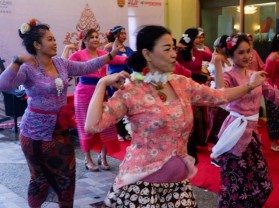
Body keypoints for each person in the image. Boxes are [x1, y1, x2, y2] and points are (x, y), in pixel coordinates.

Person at [84, 25, 267, 208]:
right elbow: (93, 125)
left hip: (179, 189)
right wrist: (101, 84)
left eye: (173, 47)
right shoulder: (131, 91)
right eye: (166, 49)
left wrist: (249, 86)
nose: (173, 54)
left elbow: (221, 96)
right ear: (147, 54)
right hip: (142, 190)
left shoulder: (181, 83)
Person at [0, 18, 121, 208]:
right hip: (35, 134)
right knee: (39, 180)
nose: (55, 42)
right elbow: (4, 84)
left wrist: (110, 56)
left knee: (67, 175)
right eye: (50, 39)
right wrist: (16, 61)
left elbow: (86, 67)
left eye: (54, 38)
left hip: (61, 130)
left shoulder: (61, 63)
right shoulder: (27, 67)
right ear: (37, 44)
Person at [210, 34, 279, 207]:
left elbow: (277, 97)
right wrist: (218, 63)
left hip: (252, 135)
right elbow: (220, 94)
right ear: (231, 55)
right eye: (241, 53)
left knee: (263, 185)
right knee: (236, 186)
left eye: (248, 51)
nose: (247, 56)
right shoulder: (230, 76)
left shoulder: (255, 75)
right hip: (235, 135)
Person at [68, 28, 128, 171]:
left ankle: (103, 156)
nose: (95, 39)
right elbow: (67, 67)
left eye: (97, 37)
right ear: (85, 40)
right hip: (83, 94)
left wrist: (138, 57)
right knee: (86, 126)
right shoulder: (78, 55)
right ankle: (88, 159)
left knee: (106, 124)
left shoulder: (104, 54)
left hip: (101, 93)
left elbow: (121, 59)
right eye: (92, 37)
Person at [177, 27, 213, 163]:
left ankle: (197, 141)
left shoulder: (201, 53)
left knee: (199, 114)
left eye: (202, 37)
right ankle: (188, 142)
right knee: (189, 115)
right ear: (191, 39)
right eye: (198, 37)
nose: (201, 39)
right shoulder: (179, 52)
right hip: (184, 87)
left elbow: (215, 58)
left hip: (198, 87)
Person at [105, 25, 134, 141]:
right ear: (116, 35)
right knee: (117, 107)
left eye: (125, 33)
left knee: (127, 107)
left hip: (126, 80)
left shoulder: (128, 49)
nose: (124, 35)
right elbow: (108, 61)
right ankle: (119, 132)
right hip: (115, 81)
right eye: (121, 33)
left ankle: (127, 130)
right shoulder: (109, 48)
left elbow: (132, 64)